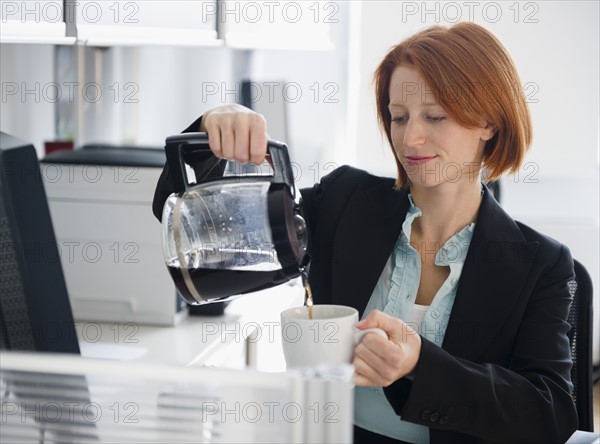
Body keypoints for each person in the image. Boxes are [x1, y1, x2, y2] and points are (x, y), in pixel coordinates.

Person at [152, 22, 578, 444]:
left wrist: (419, 364)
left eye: (435, 116)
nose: (410, 137)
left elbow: (550, 415)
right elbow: (188, 222)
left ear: (488, 121)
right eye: (398, 117)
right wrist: (211, 133)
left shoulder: (541, 265)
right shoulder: (344, 202)